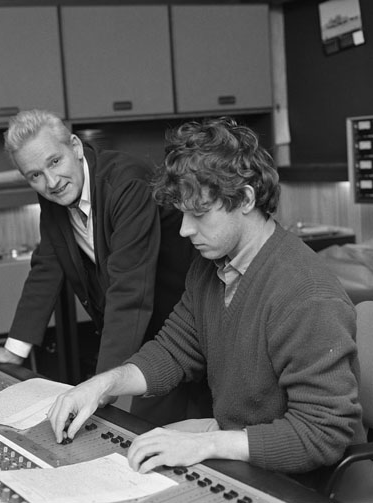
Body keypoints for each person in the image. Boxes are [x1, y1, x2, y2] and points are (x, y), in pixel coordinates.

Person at [48, 116, 364, 487]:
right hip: (243, 453)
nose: (185, 229)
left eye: (198, 213)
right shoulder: (209, 267)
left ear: (246, 199)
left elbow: (322, 435)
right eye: (182, 213)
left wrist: (205, 443)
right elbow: (173, 351)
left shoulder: (306, 294)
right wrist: (102, 385)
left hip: (299, 481)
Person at [0, 109, 209, 426]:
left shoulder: (126, 182)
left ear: (75, 147)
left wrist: (100, 385)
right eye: (35, 175)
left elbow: (129, 288)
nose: (51, 182)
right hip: (146, 336)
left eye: (54, 162)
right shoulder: (56, 193)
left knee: (166, 432)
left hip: (184, 328)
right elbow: (47, 265)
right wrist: (14, 351)